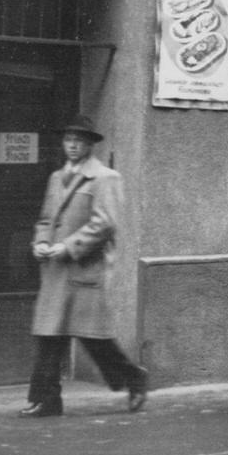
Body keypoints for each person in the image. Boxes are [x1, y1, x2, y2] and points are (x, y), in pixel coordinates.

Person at [19, 115, 149, 418]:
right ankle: (46, 400)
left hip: (84, 269)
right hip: (55, 269)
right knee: (49, 335)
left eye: (79, 140)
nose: (73, 145)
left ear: (90, 144)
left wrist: (67, 247)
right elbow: (45, 219)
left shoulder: (105, 178)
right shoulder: (56, 177)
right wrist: (39, 242)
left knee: (94, 339)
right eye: (68, 140)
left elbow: (105, 224)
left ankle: (135, 379)